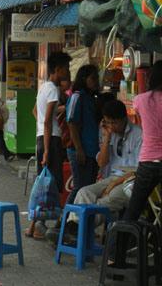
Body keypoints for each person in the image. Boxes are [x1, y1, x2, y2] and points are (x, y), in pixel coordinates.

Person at [47, 99, 142, 245]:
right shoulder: (106, 131)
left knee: (107, 200)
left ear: (124, 119)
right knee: (84, 192)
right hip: (111, 177)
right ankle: (75, 230)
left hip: (130, 180)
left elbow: (138, 170)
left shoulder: (138, 134)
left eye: (114, 123)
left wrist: (114, 184)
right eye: (107, 122)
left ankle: (76, 230)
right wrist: (108, 137)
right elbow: (102, 162)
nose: (110, 126)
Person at [29, 51, 72, 240]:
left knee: (43, 183)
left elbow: (35, 112)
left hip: (41, 138)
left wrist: (50, 121)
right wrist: (47, 149)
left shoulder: (43, 87)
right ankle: (43, 226)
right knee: (52, 185)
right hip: (51, 141)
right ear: (58, 69)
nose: (68, 71)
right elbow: (46, 121)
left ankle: (33, 227)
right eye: (66, 68)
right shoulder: (53, 89)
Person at [121, 61, 162, 222]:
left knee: (133, 211)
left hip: (148, 162)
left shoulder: (140, 99)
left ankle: (117, 247)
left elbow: (139, 115)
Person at [65, 65, 100, 204]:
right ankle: (64, 221)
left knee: (88, 189)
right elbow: (72, 123)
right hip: (80, 150)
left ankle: (79, 222)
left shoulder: (91, 98)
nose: (96, 81)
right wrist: (79, 149)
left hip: (92, 151)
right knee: (79, 188)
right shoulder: (77, 97)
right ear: (84, 79)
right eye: (93, 78)